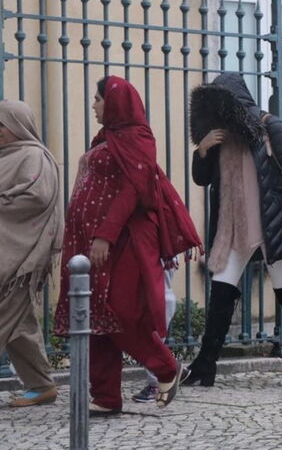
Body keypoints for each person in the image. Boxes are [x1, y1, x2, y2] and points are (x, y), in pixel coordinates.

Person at [53, 76, 201, 414]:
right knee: (97, 316)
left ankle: (167, 369)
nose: (93, 105)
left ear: (116, 102)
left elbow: (132, 191)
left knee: (120, 311)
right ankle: (105, 396)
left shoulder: (138, 138)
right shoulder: (106, 138)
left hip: (123, 241)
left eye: (98, 99)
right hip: (92, 244)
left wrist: (105, 232)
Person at [182, 72, 282, 389]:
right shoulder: (219, 137)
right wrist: (201, 151)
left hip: (273, 223)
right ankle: (206, 364)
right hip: (234, 225)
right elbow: (203, 180)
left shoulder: (270, 126)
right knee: (221, 289)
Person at [0, 100, 63, 407]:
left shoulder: (34, 155)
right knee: (20, 325)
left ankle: (40, 385)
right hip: (8, 255)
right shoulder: (8, 156)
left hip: (19, 258)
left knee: (6, 318)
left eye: (2, 124)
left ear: (18, 125)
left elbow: (37, 197)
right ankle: (41, 385)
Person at [131, 267, 178, 403]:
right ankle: (166, 377)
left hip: (157, 296)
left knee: (152, 341)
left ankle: (156, 384)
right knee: (153, 340)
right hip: (161, 295)